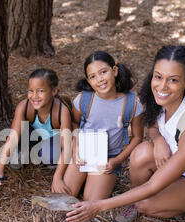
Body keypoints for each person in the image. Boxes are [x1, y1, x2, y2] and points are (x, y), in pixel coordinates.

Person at [66, 45, 185, 222]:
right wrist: (158, 140)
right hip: (181, 169)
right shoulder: (166, 102)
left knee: (144, 203)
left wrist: (98, 206)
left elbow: (152, 186)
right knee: (141, 153)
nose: (162, 86)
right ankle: (163, 199)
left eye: (173, 80)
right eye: (158, 77)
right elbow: (154, 126)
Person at [62, 51, 144, 201]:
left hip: (108, 158)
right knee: (65, 197)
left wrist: (117, 161)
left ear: (115, 71)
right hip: (83, 152)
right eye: (93, 76)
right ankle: (85, 178)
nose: (99, 79)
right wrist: (75, 148)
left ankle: (94, 181)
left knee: (91, 202)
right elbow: (75, 123)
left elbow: (138, 137)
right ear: (88, 81)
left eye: (103, 72)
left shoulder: (131, 103)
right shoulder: (83, 100)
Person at [0, 68, 73, 194]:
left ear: (54, 91)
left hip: (53, 141)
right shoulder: (24, 106)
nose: (34, 96)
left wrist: (58, 176)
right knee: (13, 160)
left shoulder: (62, 112)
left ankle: (44, 156)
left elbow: (66, 147)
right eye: (31, 90)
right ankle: (27, 152)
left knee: (48, 155)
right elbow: (13, 136)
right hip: (35, 137)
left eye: (40, 91)